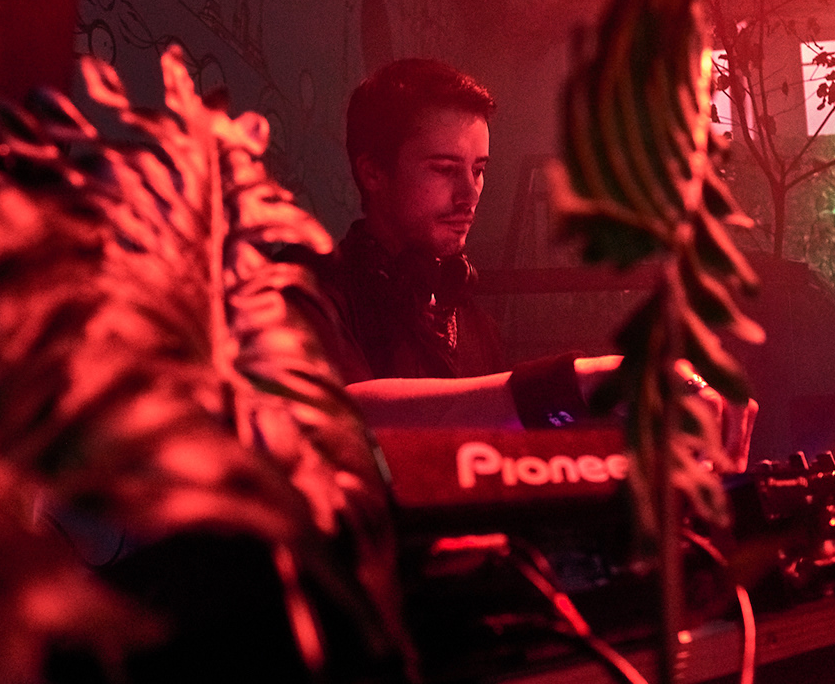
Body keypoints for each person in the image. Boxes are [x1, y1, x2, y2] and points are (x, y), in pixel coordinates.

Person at [293, 58, 753, 465]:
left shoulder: (471, 322)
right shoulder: (305, 291)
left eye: (478, 170)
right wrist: (580, 381)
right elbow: (341, 417)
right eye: (444, 169)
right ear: (372, 171)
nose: (469, 194)